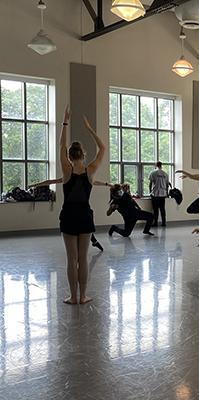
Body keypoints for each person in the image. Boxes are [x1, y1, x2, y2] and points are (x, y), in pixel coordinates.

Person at [58, 106, 105, 305]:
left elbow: (61, 145)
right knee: (83, 258)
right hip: (85, 215)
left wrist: (65, 121)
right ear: (83, 154)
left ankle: (73, 296)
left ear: (69, 156)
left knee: (72, 259)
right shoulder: (90, 170)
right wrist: (90, 129)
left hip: (68, 216)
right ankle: (84, 296)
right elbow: (102, 148)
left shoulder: (67, 169)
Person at [30, 177, 114, 252]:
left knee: (85, 228)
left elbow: (95, 182)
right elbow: (51, 181)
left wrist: (107, 184)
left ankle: (94, 242)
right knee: (81, 230)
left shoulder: (84, 178)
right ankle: (94, 242)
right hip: (72, 212)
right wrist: (37, 184)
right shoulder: (69, 178)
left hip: (82, 211)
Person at [149, 161, 171, 227]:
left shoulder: (153, 173)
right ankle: (164, 223)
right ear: (161, 165)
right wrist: (167, 193)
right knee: (162, 209)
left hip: (155, 194)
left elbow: (150, 183)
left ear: (156, 165)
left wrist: (150, 192)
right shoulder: (165, 174)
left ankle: (155, 223)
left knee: (155, 209)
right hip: (163, 194)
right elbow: (167, 185)